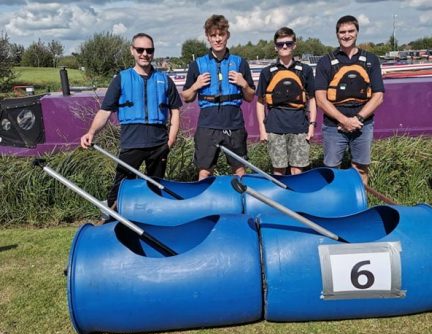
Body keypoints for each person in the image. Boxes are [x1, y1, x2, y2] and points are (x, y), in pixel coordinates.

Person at [80, 32, 182, 209]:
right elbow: (105, 111)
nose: (145, 54)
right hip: (132, 142)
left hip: (159, 144)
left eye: (149, 50)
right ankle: (112, 223)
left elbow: (175, 112)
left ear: (153, 52)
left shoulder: (164, 80)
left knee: (156, 188)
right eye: (140, 49)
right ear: (132, 51)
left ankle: (152, 222)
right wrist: (91, 132)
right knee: (121, 188)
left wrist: (170, 141)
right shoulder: (121, 79)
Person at [182, 14, 255, 180]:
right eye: (213, 35)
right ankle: (205, 204)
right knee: (205, 171)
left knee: (239, 169)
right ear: (208, 37)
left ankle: (240, 202)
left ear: (227, 35)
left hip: (234, 123)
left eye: (221, 35)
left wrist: (243, 84)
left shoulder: (240, 63)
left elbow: (250, 97)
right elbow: (186, 97)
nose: (217, 39)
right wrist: (196, 85)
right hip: (208, 124)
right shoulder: (197, 65)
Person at [315, 15, 384, 185]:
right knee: (331, 168)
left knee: (360, 167)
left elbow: (378, 96)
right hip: (334, 125)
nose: (346, 35)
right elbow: (320, 99)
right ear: (337, 34)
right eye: (342, 32)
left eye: (350, 31)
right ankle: (333, 207)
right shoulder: (325, 62)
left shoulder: (371, 60)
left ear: (357, 33)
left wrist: (357, 119)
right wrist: (344, 120)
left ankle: (360, 204)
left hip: (363, 124)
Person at [256, 27, 317, 175]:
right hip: (275, 127)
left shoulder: (305, 70)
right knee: (279, 170)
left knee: (298, 170)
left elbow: (313, 99)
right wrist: (262, 130)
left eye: (288, 43)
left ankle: (297, 197)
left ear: (294, 45)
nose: (284, 46)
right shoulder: (267, 72)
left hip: (299, 126)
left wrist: (312, 126)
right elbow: (259, 102)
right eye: (280, 44)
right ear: (275, 47)